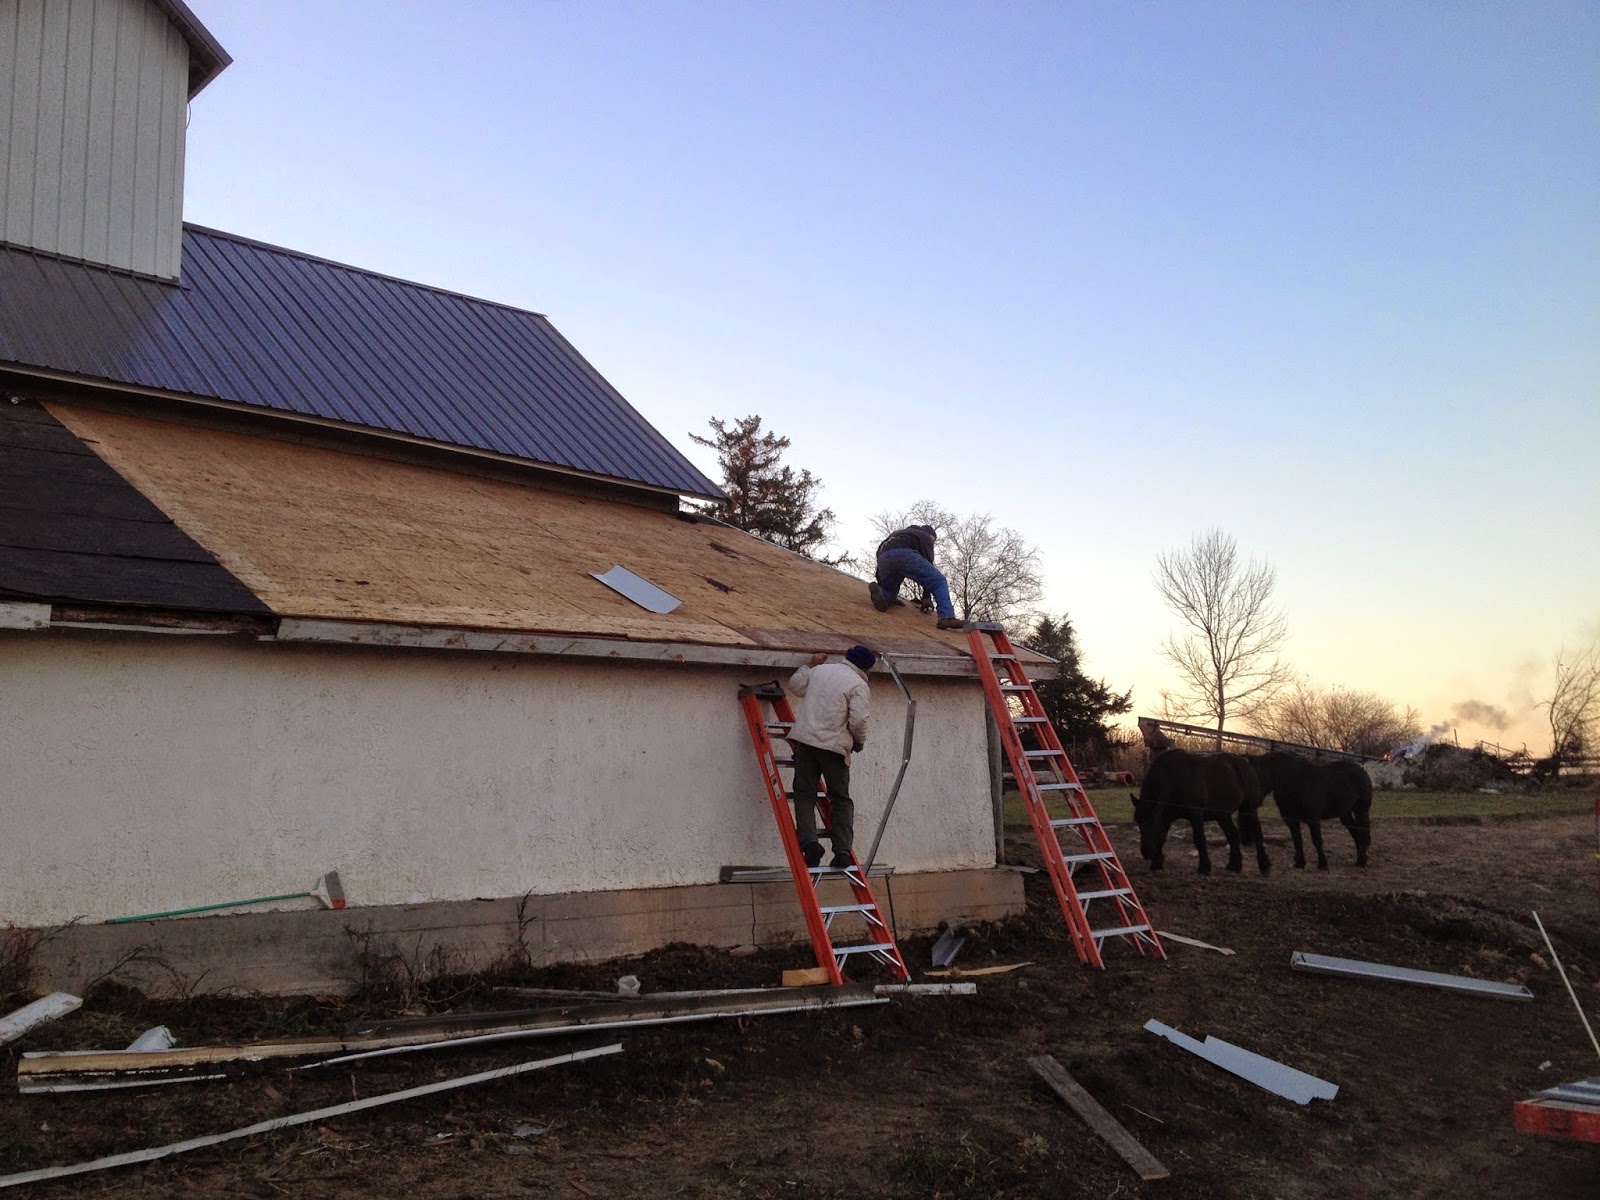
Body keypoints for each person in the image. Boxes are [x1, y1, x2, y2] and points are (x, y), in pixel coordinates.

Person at [787, 645, 874, 870]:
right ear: (867, 668)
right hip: (834, 748)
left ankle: (809, 843)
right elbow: (858, 721)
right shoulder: (858, 685)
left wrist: (811, 664)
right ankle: (842, 851)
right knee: (840, 799)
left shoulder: (820, 671)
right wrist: (859, 743)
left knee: (804, 794)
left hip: (806, 742)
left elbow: (795, 685)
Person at [869, 523, 964, 630]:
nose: (932, 545)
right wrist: (926, 597)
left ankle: (884, 597)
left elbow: (880, 560)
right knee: (938, 581)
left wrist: (880, 582)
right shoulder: (925, 536)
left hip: (883, 558)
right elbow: (928, 564)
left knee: (890, 590)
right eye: (933, 541)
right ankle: (947, 617)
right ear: (930, 535)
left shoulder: (897, 534)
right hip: (904, 554)